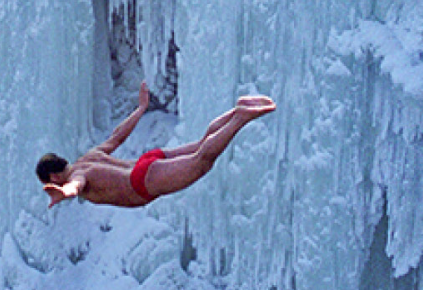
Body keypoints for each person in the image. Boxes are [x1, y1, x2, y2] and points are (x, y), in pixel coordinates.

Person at [36, 82, 276, 208]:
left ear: (54, 177)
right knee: (201, 144)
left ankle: (240, 118)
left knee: (201, 161)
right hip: (146, 163)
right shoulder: (89, 157)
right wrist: (140, 109)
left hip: (142, 181)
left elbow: (76, 186)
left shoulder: (77, 175)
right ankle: (236, 110)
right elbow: (117, 137)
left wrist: (63, 193)